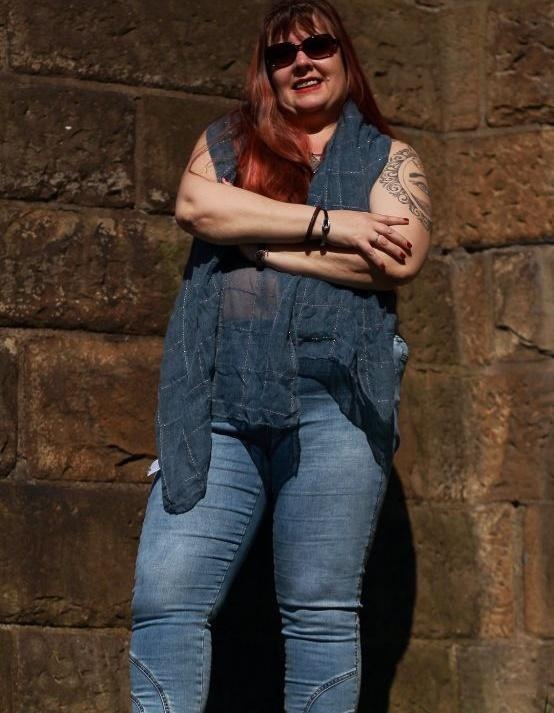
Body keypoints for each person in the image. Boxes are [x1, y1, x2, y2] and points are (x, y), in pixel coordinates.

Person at [129, 0, 431, 711]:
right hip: (217, 405)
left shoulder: (390, 158)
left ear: (344, 57)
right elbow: (197, 208)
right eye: (281, 54)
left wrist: (259, 242)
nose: (301, 62)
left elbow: (399, 258)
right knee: (165, 596)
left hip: (337, 405)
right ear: (266, 72)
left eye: (317, 46)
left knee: (320, 608)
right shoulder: (228, 140)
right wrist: (336, 225)